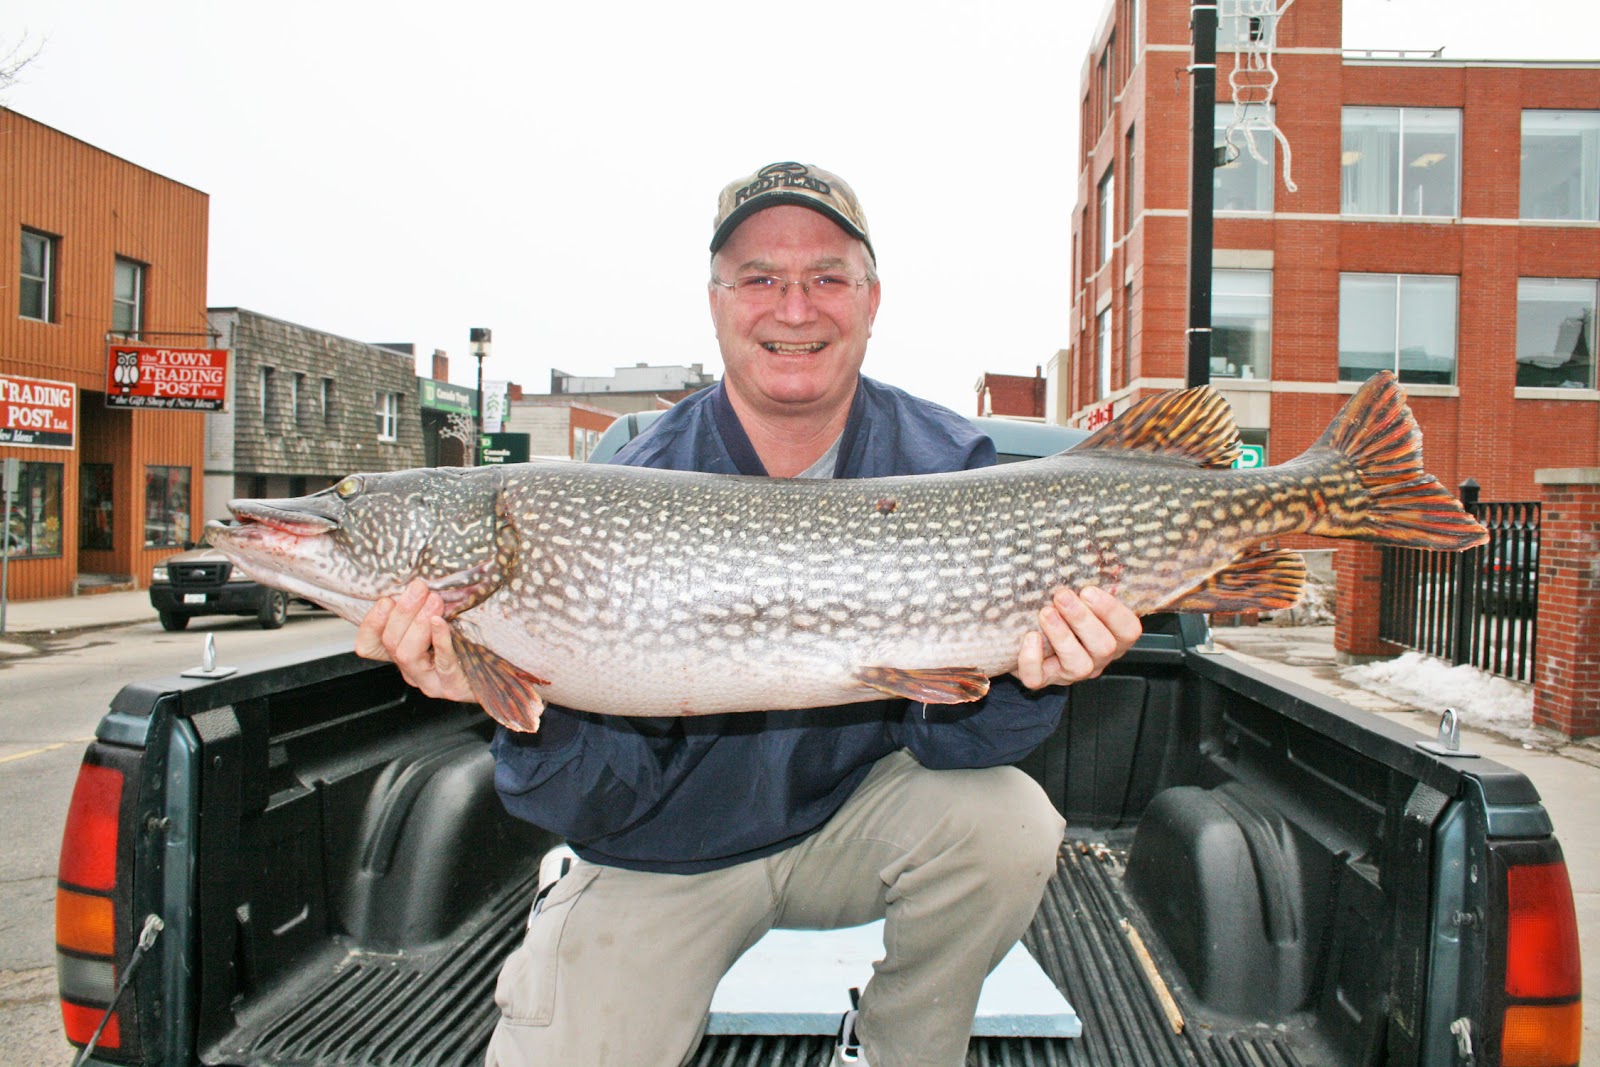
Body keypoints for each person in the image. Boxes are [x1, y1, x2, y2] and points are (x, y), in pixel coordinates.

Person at [355, 161, 1143, 1067]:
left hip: (856, 822)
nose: (794, 309)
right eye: (761, 279)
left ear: (871, 298)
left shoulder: (947, 463)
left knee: (1010, 823)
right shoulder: (632, 483)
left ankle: (896, 1050)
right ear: (718, 300)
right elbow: (591, 799)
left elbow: (955, 740)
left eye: (826, 279)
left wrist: (1035, 672)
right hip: (667, 846)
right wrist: (498, 691)